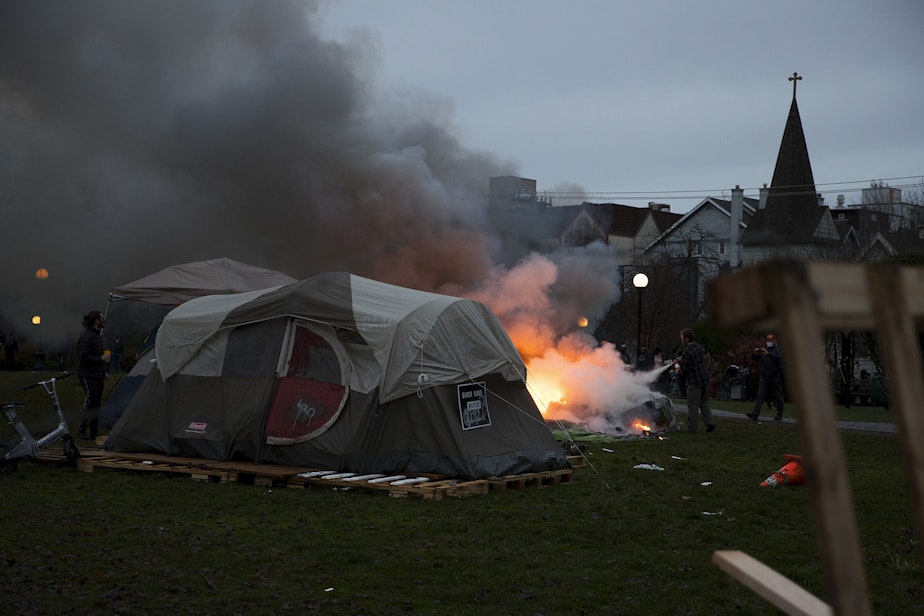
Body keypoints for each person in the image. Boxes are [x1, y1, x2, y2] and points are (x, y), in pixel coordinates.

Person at [77, 310, 110, 439]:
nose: (103, 320)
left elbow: (98, 354)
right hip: (86, 374)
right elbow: (83, 356)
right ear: (96, 321)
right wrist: (100, 359)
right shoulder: (87, 336)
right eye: (102, 318)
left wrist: (104, 371)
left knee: (96, 403)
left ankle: (94, 432)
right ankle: (81, 430)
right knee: (90, 401)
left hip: (97, 375)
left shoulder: (97, 336)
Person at [676, 328, 716, 433]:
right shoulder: (699, 347)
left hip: (694, 383)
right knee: (704, 403)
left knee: (692, 405)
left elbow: (685, 370)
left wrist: (680, 363)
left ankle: (692, 429)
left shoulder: (687, 352)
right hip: (704, 380)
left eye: (682, 338)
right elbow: (695, 361)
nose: (681, 340)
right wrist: (683, 359)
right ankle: (710, 422)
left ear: (687, 339)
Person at [747, 334, 784, 422]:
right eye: (768, 340)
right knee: (760, 395)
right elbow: (754, 359)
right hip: (765, 376)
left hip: (775, 376)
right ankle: (755, 414)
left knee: (778, 395)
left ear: (774, 341)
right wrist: (754, 353)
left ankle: (779, 413)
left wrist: (768, 354)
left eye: (771, 340)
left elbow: (778, 358)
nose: (769, 342)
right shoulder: (764, 350)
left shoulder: (777, 350)